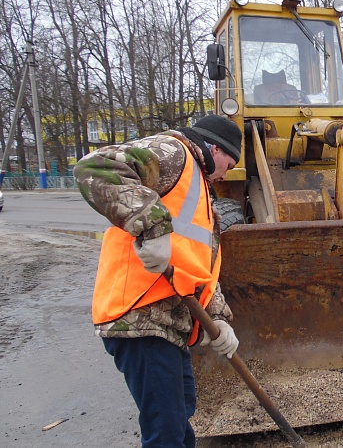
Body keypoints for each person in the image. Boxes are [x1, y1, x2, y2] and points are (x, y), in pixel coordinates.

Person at [74, 114, 244, 447]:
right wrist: (151, 226)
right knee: (165, 432)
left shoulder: (201, 198)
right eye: (230, 161)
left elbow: (195, 269)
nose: (228, 171)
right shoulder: (174, 153)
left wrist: (221, 322)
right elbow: (95, 168)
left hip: (167, 324)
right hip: (141, 317)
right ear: (214, 148)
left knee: (179, 420)